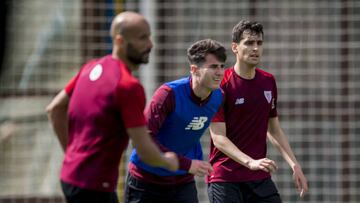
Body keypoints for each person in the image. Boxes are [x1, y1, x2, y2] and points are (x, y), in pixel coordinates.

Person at [46, 11, 178, 203]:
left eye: (149, 37)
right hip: (95, 187)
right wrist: (168, 161)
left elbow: (55, 109)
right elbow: (143, 149)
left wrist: (71, 156)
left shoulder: (90, 68)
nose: (150, 44)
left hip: (70, 177)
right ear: (120, 41)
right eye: (142, 38)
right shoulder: (128, 86)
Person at [207, 20, 309, 203]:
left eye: (259, 43)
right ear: (235, 47)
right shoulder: (221, 85)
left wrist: (295, 165)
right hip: (225, 178)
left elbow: (274, 129)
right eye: (249, 43)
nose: (255, 48)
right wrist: (250, 162)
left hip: (258, 178)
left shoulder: (268, 81)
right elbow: (218, 138)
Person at [124, 39, 227, 203]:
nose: (220, 72)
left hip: (182, 182)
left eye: (222, 66)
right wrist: (187, 164)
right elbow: (143, 140)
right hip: (146, 179)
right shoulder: (168, 94)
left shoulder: (218, 97)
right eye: (213, 67)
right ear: (194, 69)